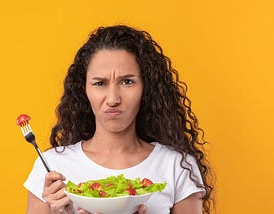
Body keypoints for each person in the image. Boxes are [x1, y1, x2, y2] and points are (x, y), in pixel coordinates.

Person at [24, 25, 213, 214]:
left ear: (146, 88)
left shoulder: (177, 166)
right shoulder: (52, 168)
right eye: (100, 83)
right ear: (84, 90)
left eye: (127, 82)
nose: (113, 99)